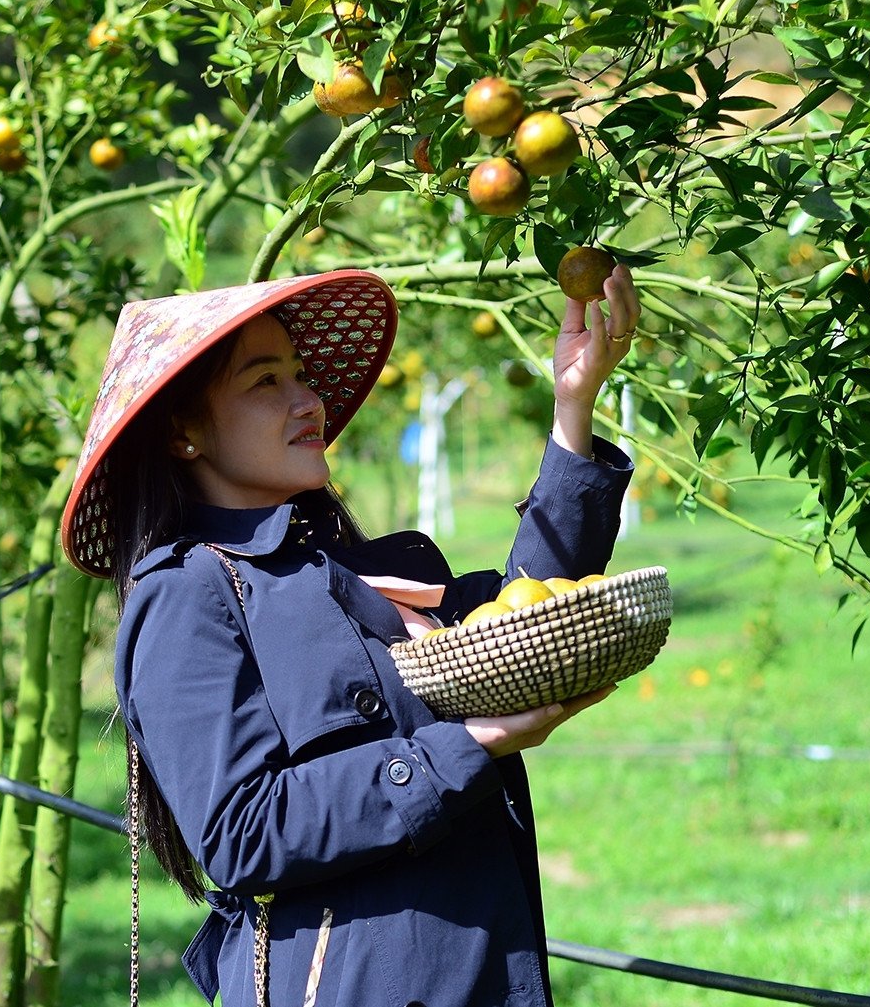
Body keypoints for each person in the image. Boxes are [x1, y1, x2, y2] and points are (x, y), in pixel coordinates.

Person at [60, 265, 640, 1007]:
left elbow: (526, 625)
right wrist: (468, 744)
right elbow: (242, 831)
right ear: (183, 431)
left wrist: (572, 407)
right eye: (265, 381)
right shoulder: (187, 596)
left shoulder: (373, 570)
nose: (309, 401)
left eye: (300, 374)